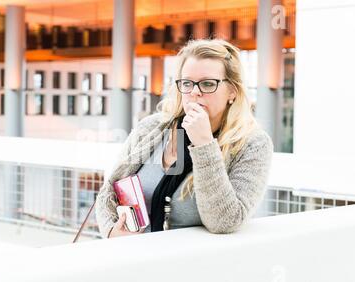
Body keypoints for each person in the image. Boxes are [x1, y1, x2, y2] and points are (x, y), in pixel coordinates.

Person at [95, 38, 273, 238]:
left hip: (191, 264)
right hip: (136, 259)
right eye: (187, 83)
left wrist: (204, 144)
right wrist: (111, 231)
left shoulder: (252, 144)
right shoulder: (153, 128)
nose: (195, 92)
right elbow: (108, 190)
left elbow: (225, 221)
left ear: (232, 91)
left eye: (207, 84)